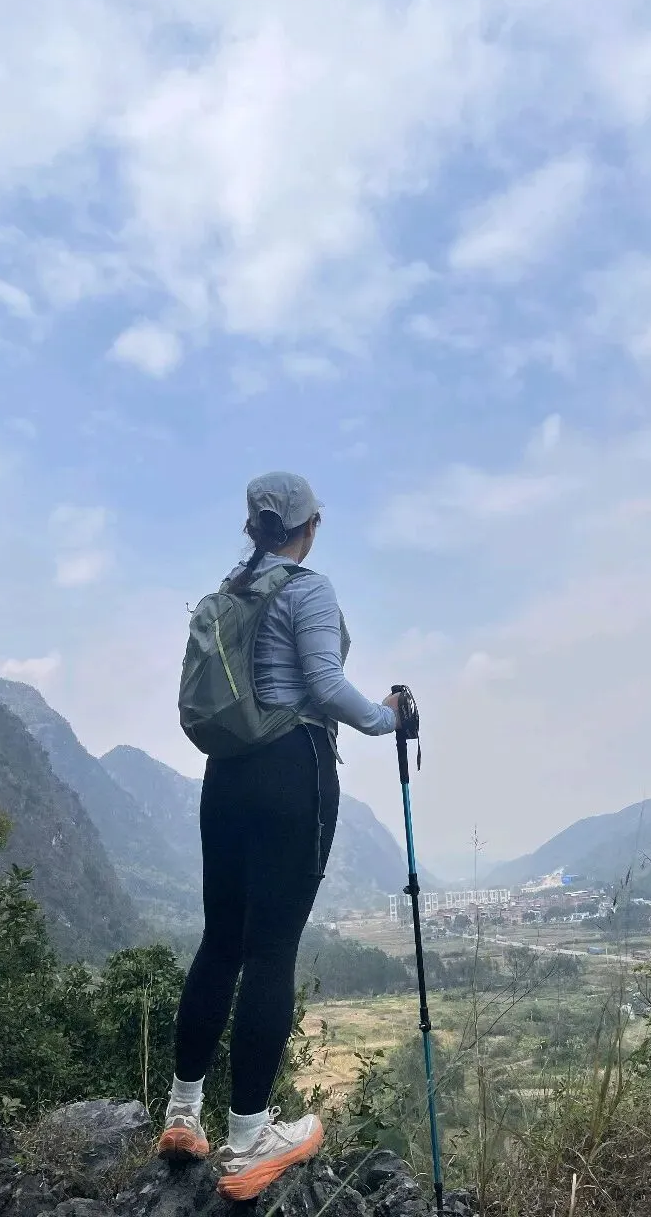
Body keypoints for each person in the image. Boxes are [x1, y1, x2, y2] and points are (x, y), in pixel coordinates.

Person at [157, 471, 401, 1201]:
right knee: (271, 949)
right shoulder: (308, 589)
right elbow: (324, 685)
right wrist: (387, 717)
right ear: (310, 526)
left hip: (226, 776)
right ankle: (248, 1141)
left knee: (220, 940)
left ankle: (182, 1113)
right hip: (293, 772)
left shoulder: (229, 592)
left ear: (252, 526)